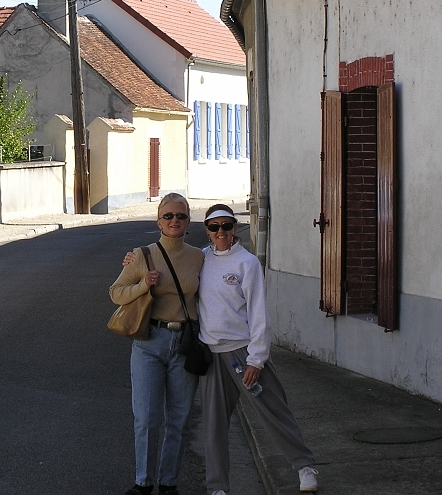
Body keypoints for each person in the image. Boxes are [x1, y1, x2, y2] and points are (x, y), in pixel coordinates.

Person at [198, 204, 318, 494]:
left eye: (226, 225)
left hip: (243, 353)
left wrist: (257, 359)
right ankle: (217, 487)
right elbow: (171, 266)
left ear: (235, 228)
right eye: (214, 227)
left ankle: (304, 466)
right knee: (214, 425)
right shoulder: (201, 259)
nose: (221, 232)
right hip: (211, 355)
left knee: (274, 411)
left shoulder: (247, 263)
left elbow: (258, 313)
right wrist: (136, 260)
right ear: (207, 231)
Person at [110, 193, 204, 495]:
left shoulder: (200, 257)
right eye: (168, 216)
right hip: (149, 342)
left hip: (185, 344)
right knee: (147, 418)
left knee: (180, 418)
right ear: (159, 222)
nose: (175, 220)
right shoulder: (143, 255)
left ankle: (168, 482)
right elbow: (116, 292)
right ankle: (143, 482)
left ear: (188, 222)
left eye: (181, 216)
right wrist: (143, 284)